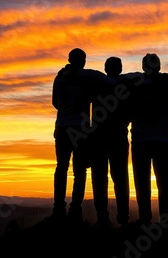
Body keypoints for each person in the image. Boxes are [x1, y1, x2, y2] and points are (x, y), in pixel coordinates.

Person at [51, 48, 116, 225]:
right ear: (83, 61)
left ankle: (58, 208)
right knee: (79, 171)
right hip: (79, 128)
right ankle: (75, 209)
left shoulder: (59, 78)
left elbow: (55, 102)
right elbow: (112, 83)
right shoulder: (87, 76)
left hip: (62, 126)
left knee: (61, 167)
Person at [128, 53, 168, 226]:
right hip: (161, 141)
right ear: (159, 66)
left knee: (143, 182)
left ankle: (146, 219)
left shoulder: (134, 84)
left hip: (142, 142)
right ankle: (165, 219)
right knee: (164, 182)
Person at [89, 57, 133, 228]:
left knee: (103, 178)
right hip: (113, 137)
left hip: (105, 137)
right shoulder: (125, 85)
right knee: (117, 178)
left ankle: (106, 218)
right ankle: (118, 219)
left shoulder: (97, 84)